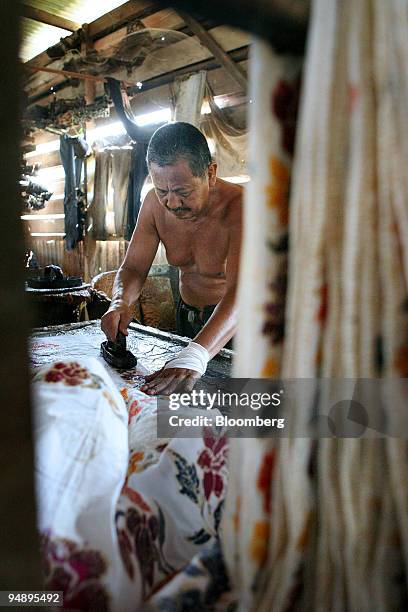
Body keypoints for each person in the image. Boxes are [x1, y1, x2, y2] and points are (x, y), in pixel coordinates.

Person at [101, 122, 243, 395]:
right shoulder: (154, 205)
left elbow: (242, 292)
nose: (172, 203)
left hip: (235, 327)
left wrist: (196, 355)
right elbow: (133, 267)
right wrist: (120, 300)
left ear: (210, 173)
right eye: (162, 191)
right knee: (185, 409)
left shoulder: (240, 208)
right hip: (187, 320)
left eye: (183, 192)